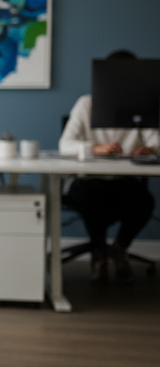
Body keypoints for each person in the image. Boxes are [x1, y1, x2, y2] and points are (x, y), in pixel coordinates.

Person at [59, 49, 158, 286]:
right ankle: (99, 255)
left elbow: (156, 139)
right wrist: (96, 148)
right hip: (88, 181)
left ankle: (119, 248)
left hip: (123, 181)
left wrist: (150, 149)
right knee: (93, 199)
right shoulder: (86, 104)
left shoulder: (143, 105)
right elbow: (65, 145)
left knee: (145, 201)